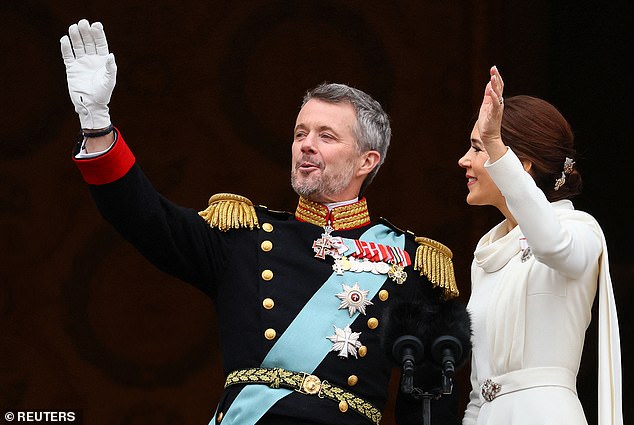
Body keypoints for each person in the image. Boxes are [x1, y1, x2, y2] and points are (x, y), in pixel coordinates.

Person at [60, 19, 470, 425]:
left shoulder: (412, 264)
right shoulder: (244, 237)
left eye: (326, 136)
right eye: (300, 133)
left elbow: (430, 404)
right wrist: (96, 123)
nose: (306, 144)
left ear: (367, 161)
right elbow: (145, 218)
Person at [458, 66, 623, 425]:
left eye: (477, 148)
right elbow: (478, 389)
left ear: (522, 164)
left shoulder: (580, 230)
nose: (464, 161)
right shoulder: (487, 252)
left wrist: (495, 145)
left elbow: (552, 246)